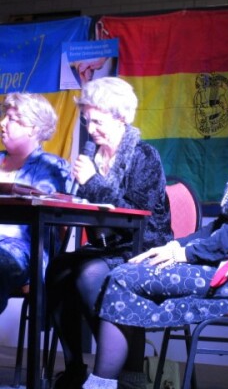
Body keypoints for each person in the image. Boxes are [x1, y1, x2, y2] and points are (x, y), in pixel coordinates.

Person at [81, 72, 228, 389]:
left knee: (123, 277)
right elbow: (223, 226)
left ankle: (103, 384)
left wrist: (187, 254)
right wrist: (176, 247)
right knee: (128, 271)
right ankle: (124, 381)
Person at [45, 76, 173, 389]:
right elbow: (86, 205)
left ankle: (120, 373)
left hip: (144, 246)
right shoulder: (94, 156)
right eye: (87, 121)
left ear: (121, 118)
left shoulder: (144, 156)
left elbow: (138, 212)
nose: (91, 130)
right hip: (105, 246)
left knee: (89, 274)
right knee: (59, 268)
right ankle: (75, 367)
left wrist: (93, 182)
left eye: (98, 122)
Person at [0, 92, 71, 314]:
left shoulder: (51, 167)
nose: (2, 123)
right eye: (4, 116)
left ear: (33, 127)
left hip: (23, 250)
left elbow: (43, 209)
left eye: (11, 118)